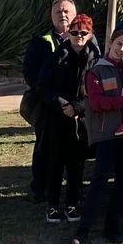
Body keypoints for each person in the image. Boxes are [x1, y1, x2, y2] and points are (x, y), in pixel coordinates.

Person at [69, 29, 123, 244]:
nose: (122, 50)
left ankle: (112, 227)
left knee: (122, 182)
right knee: (99, 181)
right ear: (110, 43)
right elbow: (97, 103)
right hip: (106, 134)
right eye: (119, 44)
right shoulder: (96, 71)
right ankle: (83, 230)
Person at [36, 12, 99, 224]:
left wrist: (78, 107)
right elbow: (43, 86)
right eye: (74, 32)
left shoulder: (96, 61)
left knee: (77, 164)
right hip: (57, 117)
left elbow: (96, 90)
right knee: (55, 163)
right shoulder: (56, 57)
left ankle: (72, 203)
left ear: (90, 35)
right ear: (69, 34)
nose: (78, 36)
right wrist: (63, 105)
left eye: (83, 33)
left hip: (82, 120)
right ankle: (53, 205)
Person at [23, 0, 77, 203]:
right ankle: (40, 187)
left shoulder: (86, 38)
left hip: (74, 108)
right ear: (51, 16)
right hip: (48, 105)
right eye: (58, 12)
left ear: (74, 15)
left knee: (73, 150)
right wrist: (52, 98)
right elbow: (30, 72)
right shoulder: (40, 41)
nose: (62, 15)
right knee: (44, 148)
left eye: (66, 12)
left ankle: (73, 189)